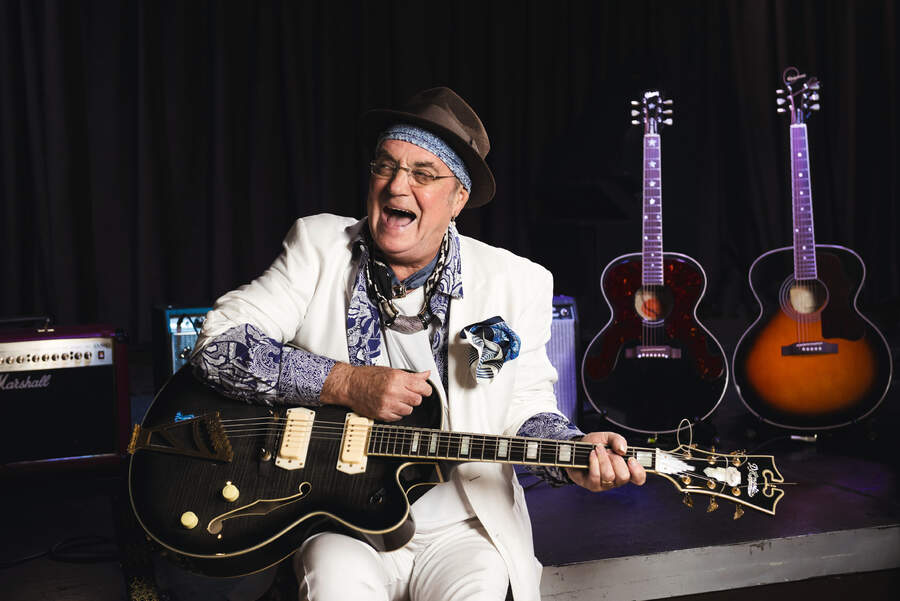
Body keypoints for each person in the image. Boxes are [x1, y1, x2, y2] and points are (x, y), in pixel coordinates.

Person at [191, 86, 645, 601]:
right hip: (339, 520)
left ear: (459, 199)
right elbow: (217, 347)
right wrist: (345, 382)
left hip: (464, 527)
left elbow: (526, 407)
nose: (396, 187)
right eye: (386, 166)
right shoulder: (317, 246)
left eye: (424, 174)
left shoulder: (517, 281)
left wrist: (570, 453)